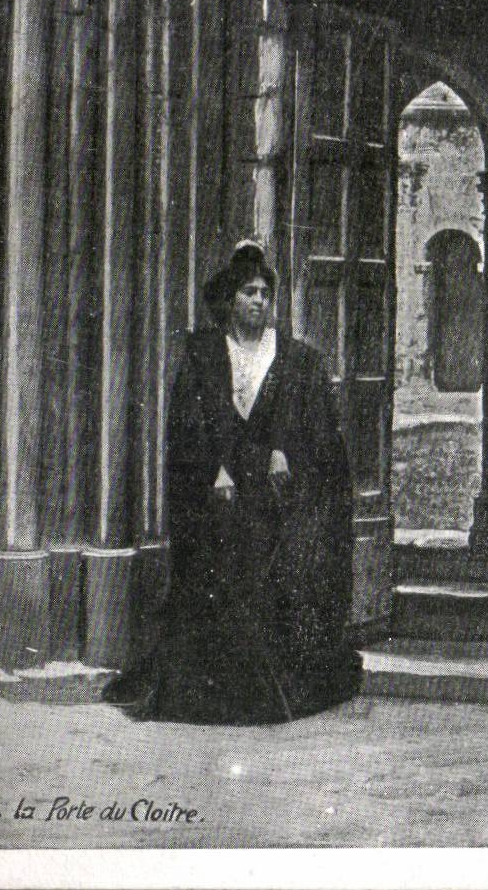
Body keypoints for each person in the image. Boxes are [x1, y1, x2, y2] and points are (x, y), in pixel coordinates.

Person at [103, 240, 362, 723]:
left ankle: (272, 689)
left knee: (274, 576)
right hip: (220, 492)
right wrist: (213, 468)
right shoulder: (204, 354)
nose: (259, 301)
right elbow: (189, 421)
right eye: (249, 292)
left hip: (273, 497)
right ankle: (218, 690)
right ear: (230, 299)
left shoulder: (294, 357)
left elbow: (313, 423)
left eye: (265, 293)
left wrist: (286, 451)